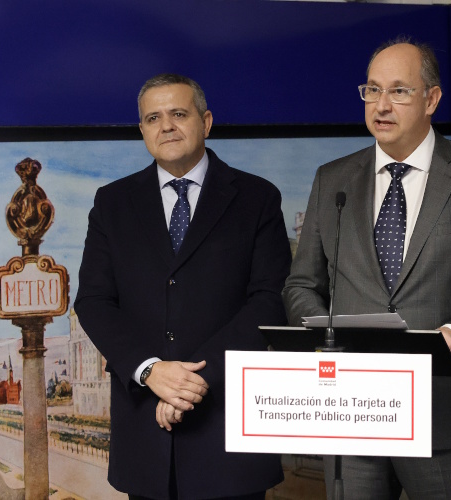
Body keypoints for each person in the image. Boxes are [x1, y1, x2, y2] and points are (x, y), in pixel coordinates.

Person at [283, 38, 451, 499]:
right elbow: (301, 285)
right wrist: (326, 334)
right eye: (372, 90)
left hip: (447, 420)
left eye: (399, 91)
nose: (381, 105)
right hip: (352, 417)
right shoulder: (332, 179)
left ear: (432, 99)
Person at [75, 73, 291, 499]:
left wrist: (192, 382)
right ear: (142, 130)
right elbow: (94, 302)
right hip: (145, 430)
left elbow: (269, 300)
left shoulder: (257, 197)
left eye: (178, 113)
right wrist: (150, 370)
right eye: (153, 118)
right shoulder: (112, 203)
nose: (166, 126)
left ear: (205, 122)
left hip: (229, 431)